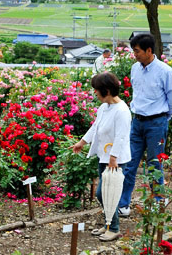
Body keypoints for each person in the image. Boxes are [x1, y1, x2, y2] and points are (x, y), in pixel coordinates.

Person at [117, 33, 172, 217]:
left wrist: (162, 119)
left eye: (137, 51)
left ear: (149, 51)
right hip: (137, 122)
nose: (134, 54)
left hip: (156, 123)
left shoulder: (165, 71)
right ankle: (123, 203)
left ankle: (158, 200)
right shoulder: (135, 69)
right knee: (129, 163)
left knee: (154, 164)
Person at [70, 72, 131, 242]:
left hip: (115, 159)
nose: (95, 93)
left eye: (97, 90)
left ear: (107, 90)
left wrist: (114, 158)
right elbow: (95, 127)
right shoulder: (104, 107)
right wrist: (82, 142)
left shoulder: (122, 111)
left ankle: (115, 228)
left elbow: (121, 136)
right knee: (103, 193)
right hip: (104, 156)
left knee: (107, 193)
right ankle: (109, 224)